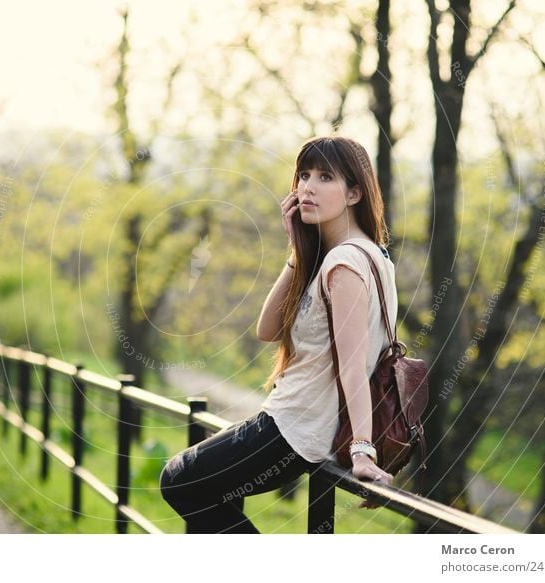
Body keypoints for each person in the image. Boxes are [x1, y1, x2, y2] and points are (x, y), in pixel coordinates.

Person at [159, 136, 398, 533]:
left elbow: (354, 365)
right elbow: (267, 329)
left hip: (294, 430)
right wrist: (297, 250)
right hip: (291, 425)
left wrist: (361, 450)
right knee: (209, 487)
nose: (307, 186)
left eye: (325, 177)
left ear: (355, 192)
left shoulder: (345, 263)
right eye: (303, 175)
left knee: (180, 479)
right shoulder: (368, 255)